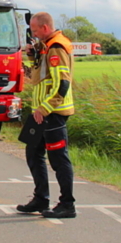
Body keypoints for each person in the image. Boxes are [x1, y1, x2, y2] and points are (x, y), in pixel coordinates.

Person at [16, 12, 76, 218]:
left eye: (34, 31)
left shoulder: (56, 48)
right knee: (33, 153)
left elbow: (63, 84)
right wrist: (33, 55)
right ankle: (41, 198)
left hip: (53, 112)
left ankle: (67, 204)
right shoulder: (47, 47)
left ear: (44, 28)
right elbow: (39, 77)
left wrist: (45, 109)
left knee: (58, 159)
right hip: (41, 112)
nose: (32, 34)